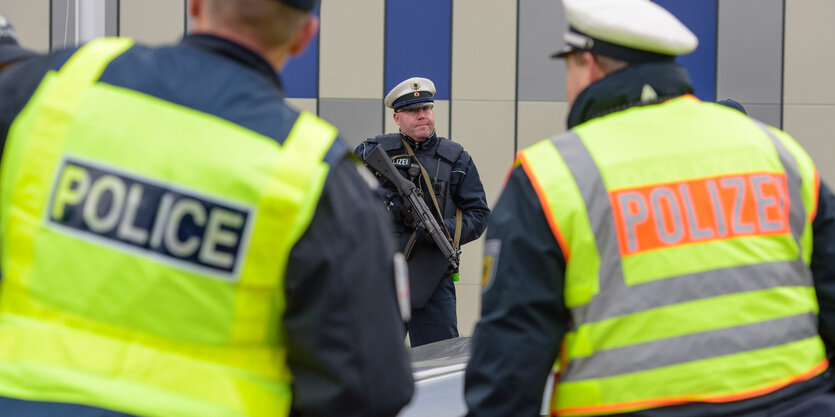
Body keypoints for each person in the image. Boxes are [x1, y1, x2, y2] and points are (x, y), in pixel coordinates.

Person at [0, 0, 413, 416]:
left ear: (196, 4)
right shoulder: (316, 173)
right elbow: (369, 388)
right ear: (304, 37)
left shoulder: (59, 85)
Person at [465, 0, 835, 416]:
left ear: (588, 65)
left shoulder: (552, 175)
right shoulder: (778, 152)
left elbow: (510, 364)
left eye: (567, 69)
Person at [355, 77, 490, 347]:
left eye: (426, 109)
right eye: (413, 111)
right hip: (382, 277)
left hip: (432, 280)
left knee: (439, 360)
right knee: (372, 365)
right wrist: (386, 203)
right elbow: (345, 201)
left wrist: (441, 230)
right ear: (397, 117)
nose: (422, 116)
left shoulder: (456, 158)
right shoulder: (374, 152)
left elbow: (478, 214)